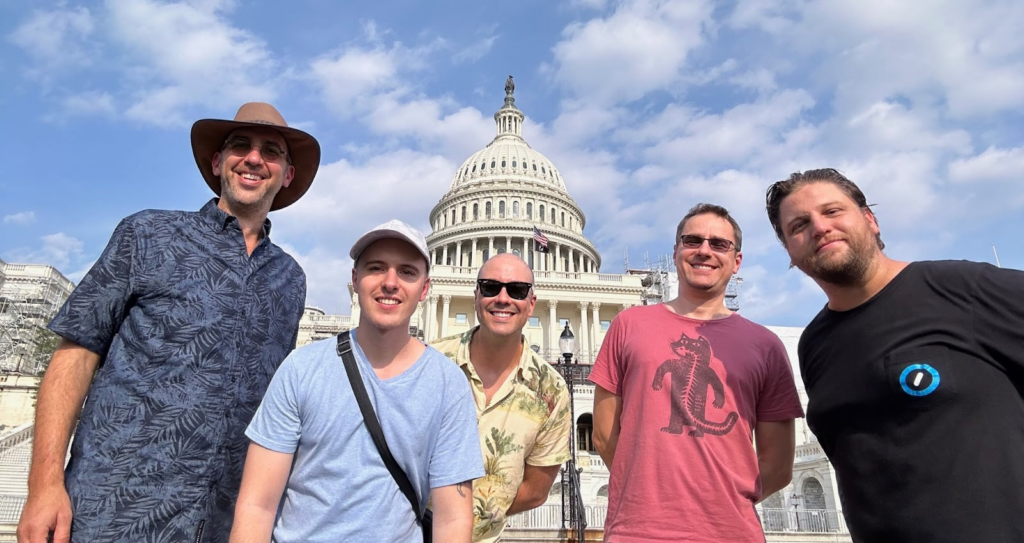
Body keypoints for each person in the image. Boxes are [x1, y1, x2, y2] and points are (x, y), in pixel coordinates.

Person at [16, 103, 318, 543]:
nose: (254, 158)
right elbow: (75, 355)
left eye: (271, 151)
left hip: (225, 519)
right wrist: (43, 486)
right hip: (113, 507)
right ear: (218, 162)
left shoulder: (290, 279)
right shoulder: (147, 234)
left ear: (286, 174)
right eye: (241, 145)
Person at [765, 168, 1024, 542]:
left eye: (833, 211)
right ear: (789, 251)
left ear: (870, 220)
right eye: (799, 225)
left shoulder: (962, 290)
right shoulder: (814, 345)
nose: (820, 227)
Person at [230, 220, 484, 543]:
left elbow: (453, 519)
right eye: (376, 268)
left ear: (425, 289)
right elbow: (256, 506)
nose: (390, 282)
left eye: (407, 271)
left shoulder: (449, 385)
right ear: (354, 279)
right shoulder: (301, 369)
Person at [590, 203, 804, 543]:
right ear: (676, 252)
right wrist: (646, 493)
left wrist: (720, 501)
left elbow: (778, 466)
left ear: (737, 262)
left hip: (732, 533)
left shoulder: (766, 345)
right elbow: (602, 434)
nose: (704, 250)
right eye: (693, 241)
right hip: (636, 532)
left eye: (719, 244)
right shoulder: (628, 325)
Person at [432, 254, 571, 542]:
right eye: (490, 287)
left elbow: (535, 491)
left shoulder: (552, 391)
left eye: (517, 290)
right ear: (476, 297)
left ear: (531, 303)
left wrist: (482, 511)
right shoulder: (428, 363)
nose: (503, 298)